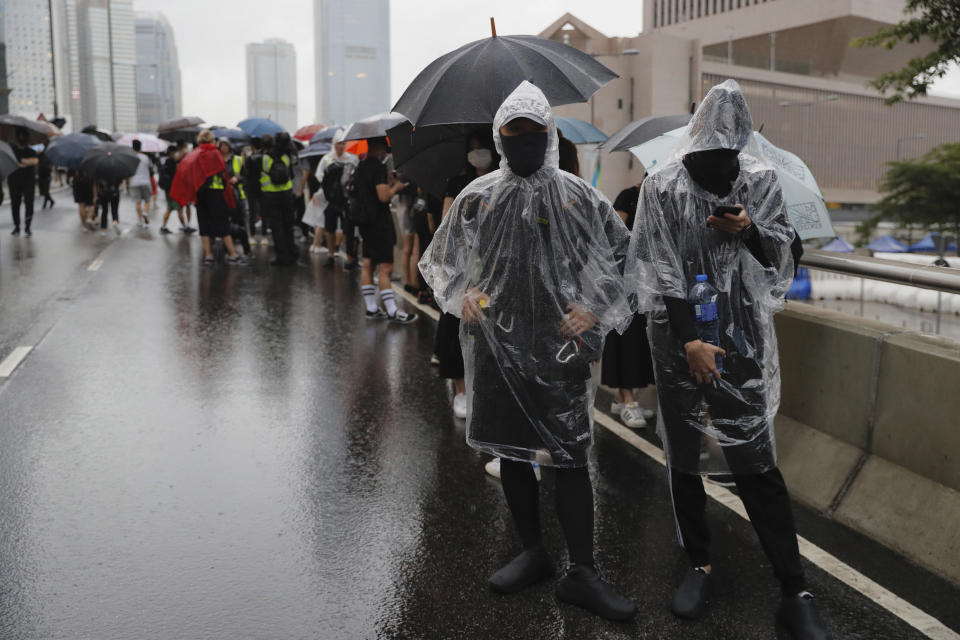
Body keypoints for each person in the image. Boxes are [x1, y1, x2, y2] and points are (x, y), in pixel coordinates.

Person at [420, 81, 636, 621]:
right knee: (511, 451)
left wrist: (593, 307)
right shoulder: (478, 196)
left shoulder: (577, 195)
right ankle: (533, 552)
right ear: (499, 137)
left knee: (569, 455)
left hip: (558, 346)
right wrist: (460, 293)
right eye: (513, 133)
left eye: (533, 133)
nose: (524, 142)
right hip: (495, 347)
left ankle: (582, 571)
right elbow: (439, 262)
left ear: (548, 134)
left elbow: (625, 257)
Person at [625, 79, 829, 639]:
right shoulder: (662, 185)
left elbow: (786, 256)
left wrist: (748, 230)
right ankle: (698, 563)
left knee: (756, 461)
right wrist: (689, 339)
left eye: (729, 150)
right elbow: (658, 266)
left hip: (742, 338)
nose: (721, 161)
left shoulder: (759, 180)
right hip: (679, 337)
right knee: (684, 456)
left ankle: (794, 587)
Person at [436, 129, 499, 420]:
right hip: (462, 268)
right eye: (472, 149)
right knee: (455, 325)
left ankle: (482, 389)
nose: (477, 154)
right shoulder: (458, 183)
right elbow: (447, 226)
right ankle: (460, 390)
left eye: (482, 148)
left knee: (487, 330)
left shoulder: (503, 181)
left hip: (494, 268)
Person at [603, 180, 657, 429]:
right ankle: (627, 400)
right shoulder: (629, 196)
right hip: (624, 281)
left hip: (649, 282)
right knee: (625, 337)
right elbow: (612, 233)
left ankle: (625, 398)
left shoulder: (659, 199)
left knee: (640, 343)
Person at [353, 137, 417, 323]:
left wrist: (387, 180)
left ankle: (371, 308)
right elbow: (383, 196)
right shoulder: (378, 168)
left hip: (365, 222)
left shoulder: (361, 167)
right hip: (379, 223)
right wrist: (396, 186)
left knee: (367, 263)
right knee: (386, 267)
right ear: (380, 147)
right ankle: (391, 311)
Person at [189, 130, 245, 266]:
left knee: (204, 224)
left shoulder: (195, 154)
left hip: (200, 194)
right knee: (223, 224)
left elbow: (189, 173)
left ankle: (208, 256)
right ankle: (233, 254)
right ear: (212, 141)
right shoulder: (215, 154)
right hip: (216, 193)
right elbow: (222, 172)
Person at [311, 129, 359, 269]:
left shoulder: (352, 159)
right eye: (339, 143)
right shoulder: (326, 159)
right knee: (330, 229)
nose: (341, 146)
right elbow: (319, 176)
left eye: (343, 143)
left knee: (348, 230)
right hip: (331, 200)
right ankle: (331, 256)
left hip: (346, 201)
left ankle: (350, 257)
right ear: (334, 144)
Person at [258, 132, 299, 265]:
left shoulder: (265, 157)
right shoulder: (288, 155)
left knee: (277, 227)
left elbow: (263, 173)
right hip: (286, 194)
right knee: (289, 225)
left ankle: (281, 256)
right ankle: (292, 253)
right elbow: (291, 175)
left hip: (270, 195)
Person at [219, 138, 252, 257]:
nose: (224, 148)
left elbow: (245, 176)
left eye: (226, 145)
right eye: (221, 145)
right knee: (226, 222)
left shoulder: (237, 159)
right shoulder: (217, 160)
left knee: (241, 221)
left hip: (238, 194)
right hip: (223, 195)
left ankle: (246, 248)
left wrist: (237, 179)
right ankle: (228, 248)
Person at [8, 127, 39, 237]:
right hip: (14, 180)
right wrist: (27, 162)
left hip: (28, 181)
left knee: (29, 203)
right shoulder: (11, 150)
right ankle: (17, 226)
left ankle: (27, 227)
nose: (22, 138)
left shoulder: (31, 151)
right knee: (15, 204)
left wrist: (22, 161)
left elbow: (35, 161)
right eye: (19, 135)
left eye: (23, 135)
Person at [159, 145, 191, 234]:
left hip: (167, 189)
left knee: (169, 208)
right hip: (173, 189)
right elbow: (176, 172)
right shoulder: (171, 161)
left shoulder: (165, 161)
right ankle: (185, 227)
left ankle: (163, 226)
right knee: (179, 208)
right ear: (172, 152)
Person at [127, 139, 154, 227]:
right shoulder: (146, 157)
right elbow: (151, 168)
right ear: (140, 147)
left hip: (134, 182)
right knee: (147, 200)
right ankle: (145, 213)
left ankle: (140, 220)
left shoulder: (131, 157)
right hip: (145, 181)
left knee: (138, 202)